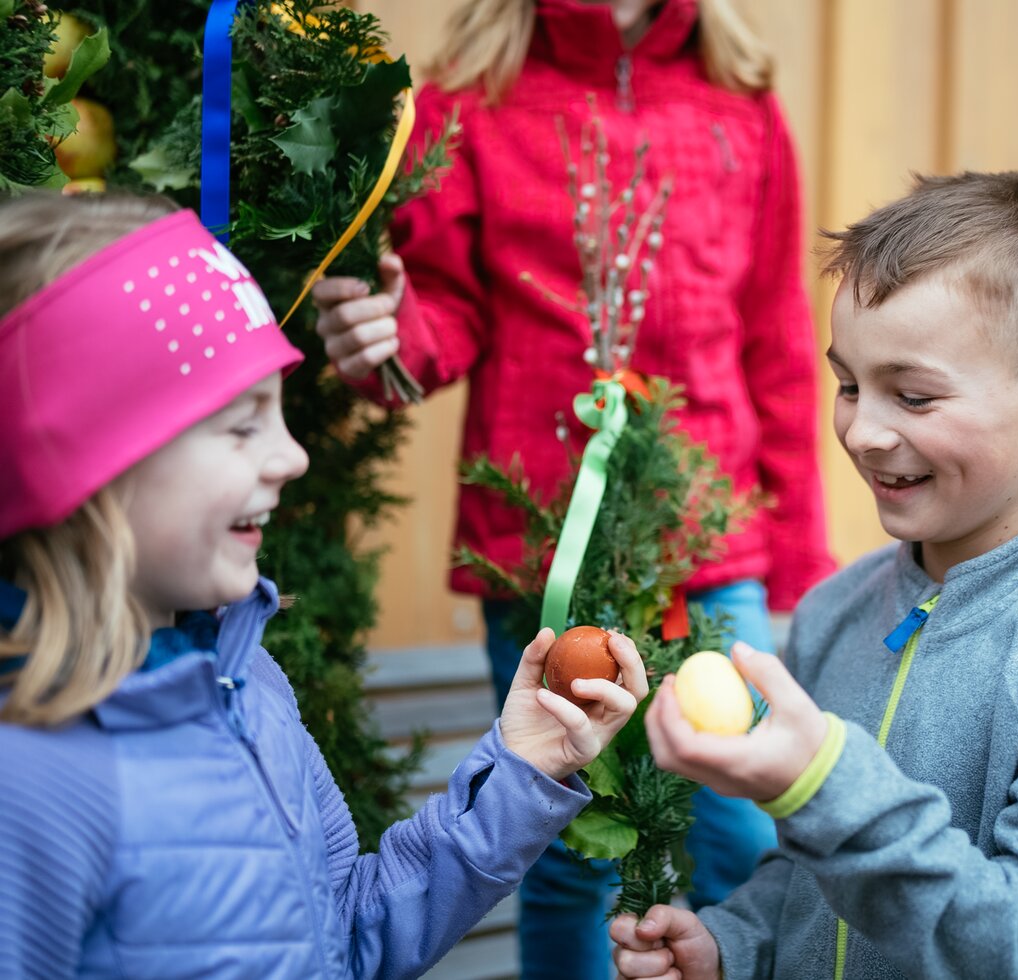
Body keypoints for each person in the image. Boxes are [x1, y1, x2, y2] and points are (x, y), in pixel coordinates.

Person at [0, 192, 648, 980]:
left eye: (278, 416)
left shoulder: (246, 683)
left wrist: (521, 768)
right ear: (85, 467)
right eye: (241, 425)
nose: (291, 456)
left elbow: (345, 936)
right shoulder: (27, 788)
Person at [312, 0, 835, 973]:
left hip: (712, 545)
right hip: (539, 544)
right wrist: (388, 339)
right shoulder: (474, 100)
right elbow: (442, 309)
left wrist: (797, 548)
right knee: (563, 850)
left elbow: (772, 335)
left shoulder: (740, 101)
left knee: (746, 836)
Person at [609, 170, 1018, 979]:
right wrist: (735, 946)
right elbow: (808, 875)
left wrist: (825, 783)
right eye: (849, 385)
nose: (864, 432)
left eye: (914, 397)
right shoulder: (834, 613)